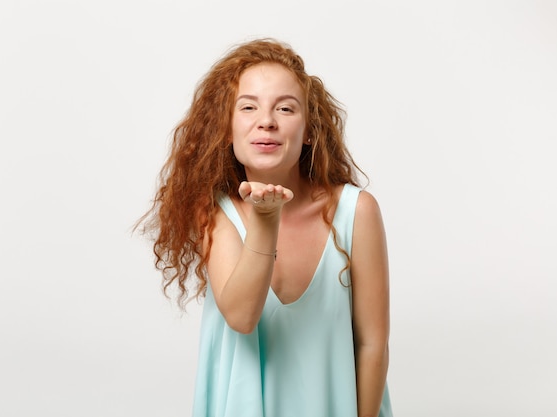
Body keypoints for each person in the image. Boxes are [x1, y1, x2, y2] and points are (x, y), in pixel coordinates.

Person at [137, 38, 393, 417]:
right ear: (226, 129)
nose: (267, 120)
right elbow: (241, 316)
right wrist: (265, 219)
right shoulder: (214, 213)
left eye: (285, 108)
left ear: (309, 131)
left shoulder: (357, 212)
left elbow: (372, 343)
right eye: (248, 106)